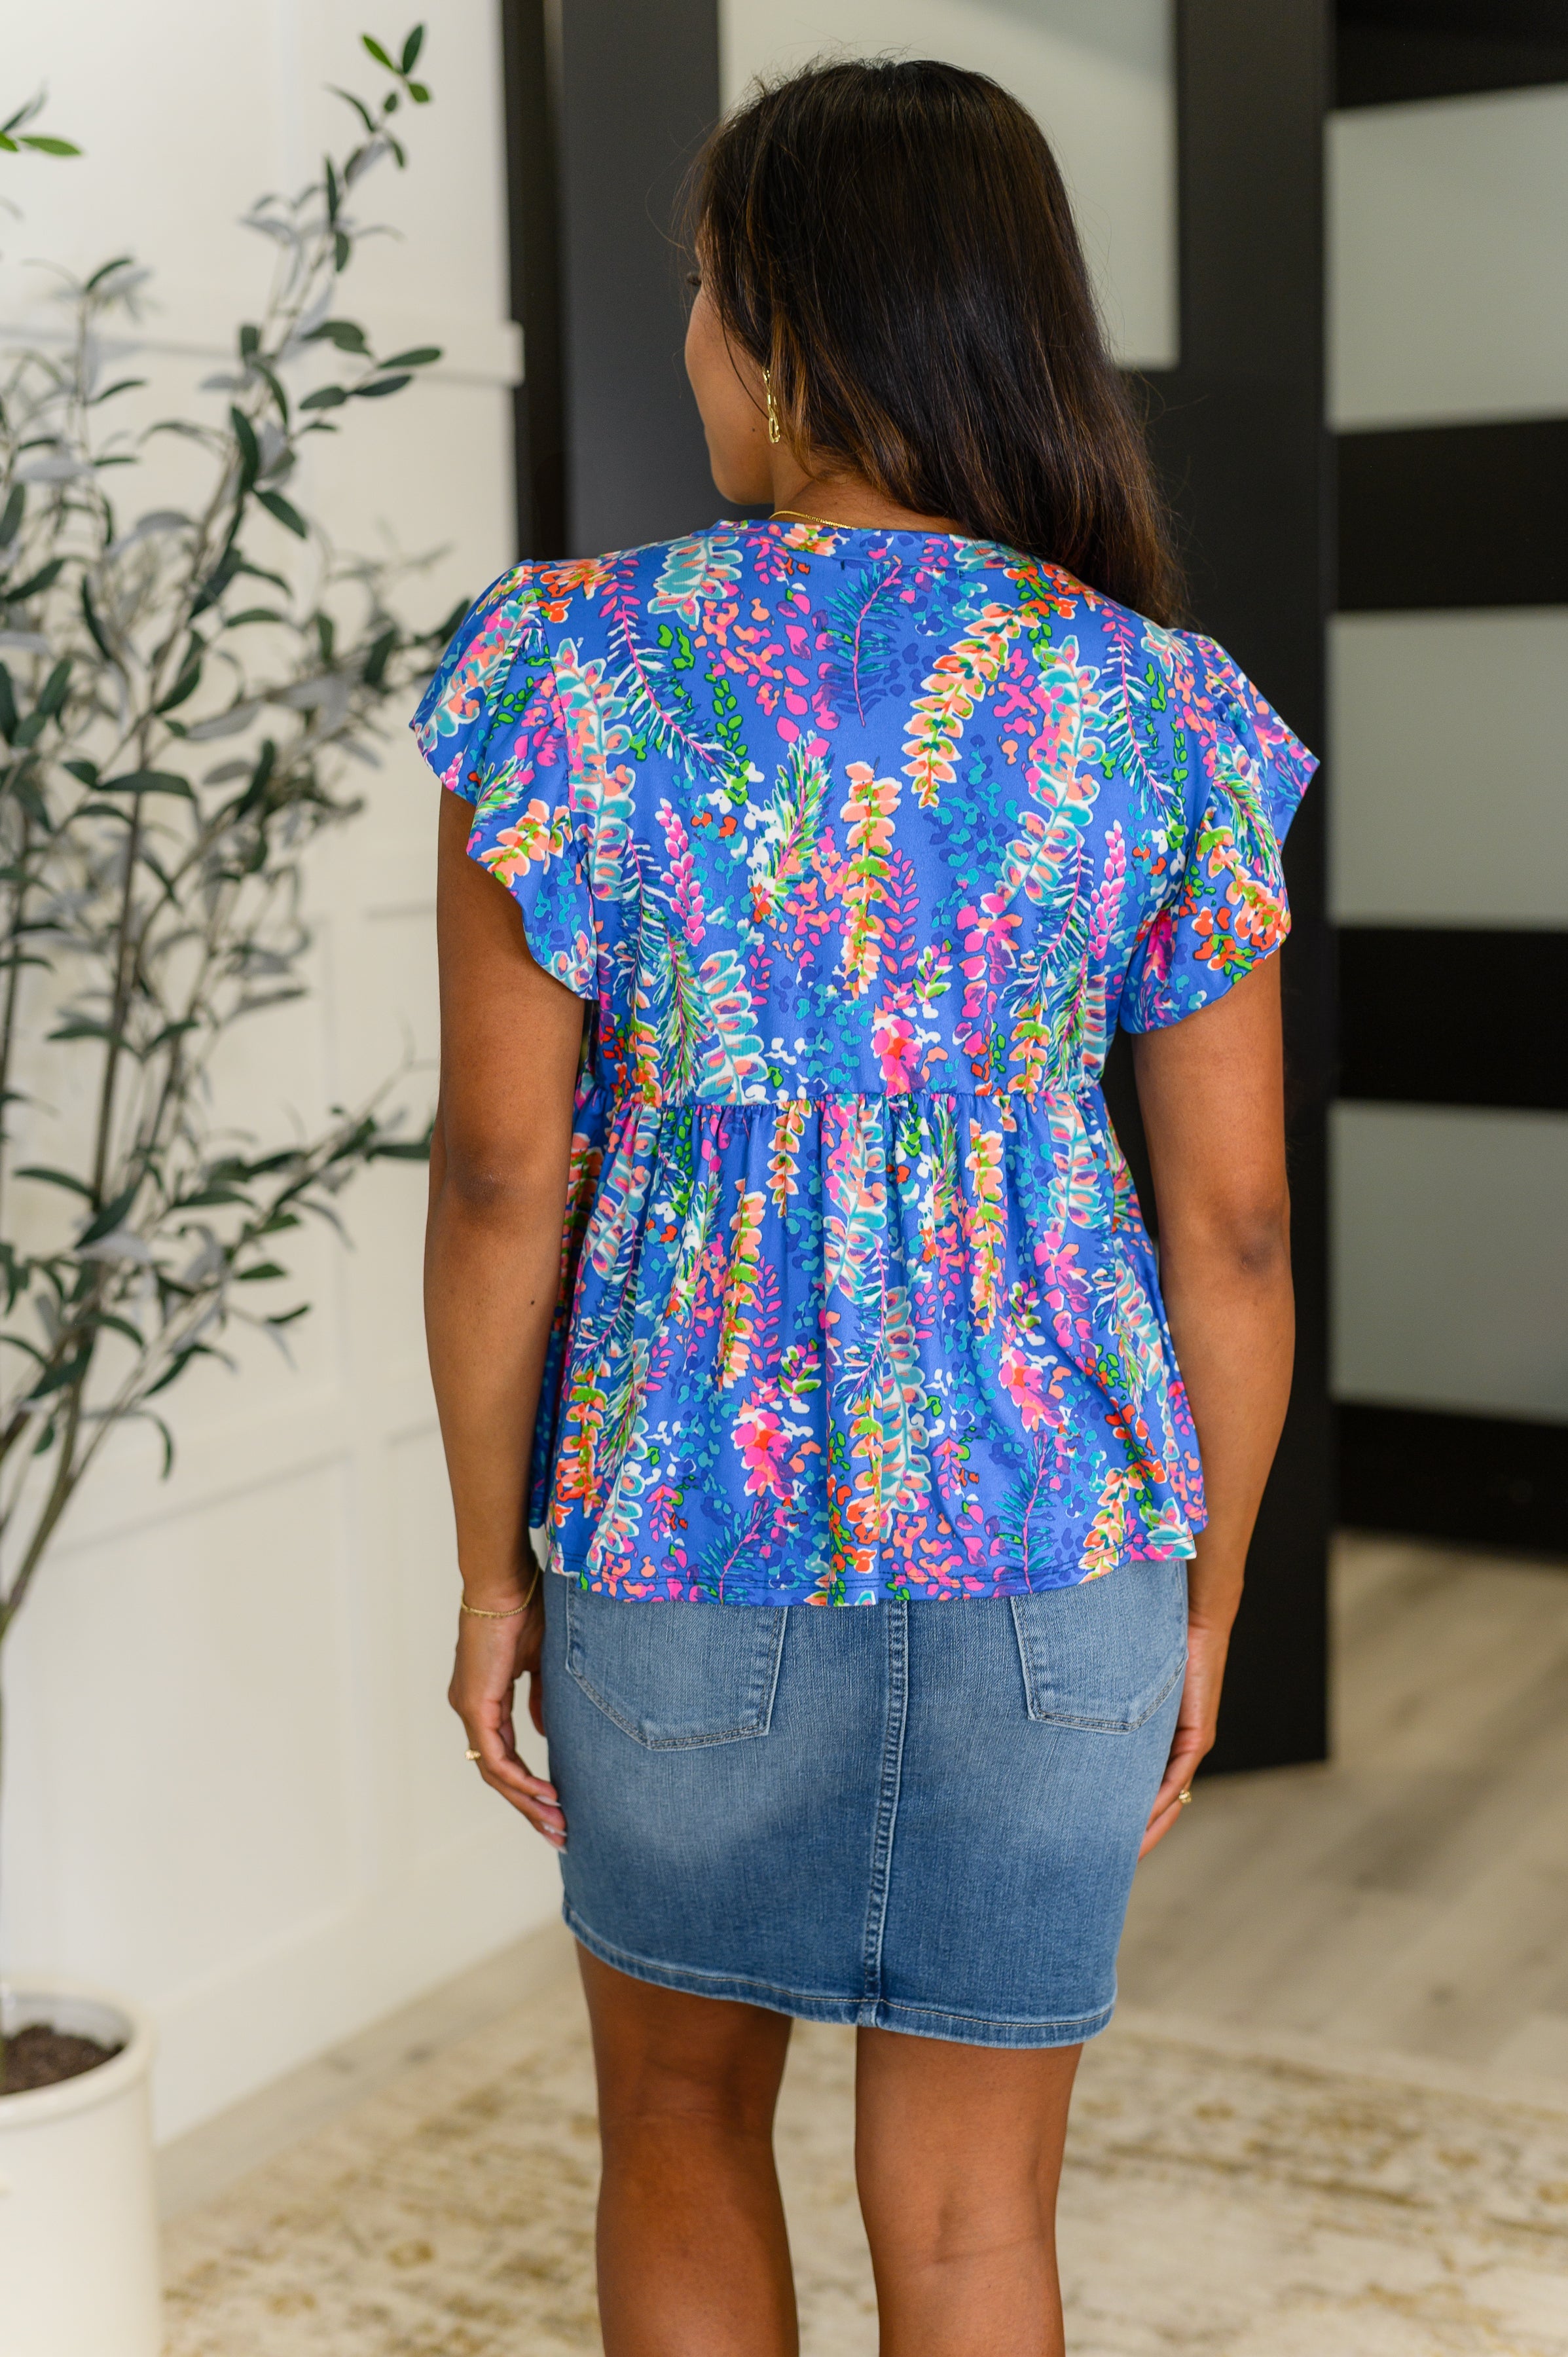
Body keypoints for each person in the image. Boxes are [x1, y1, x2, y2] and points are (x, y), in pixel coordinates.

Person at [416, 56, 1305, 2357]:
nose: (696, 340)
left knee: (681, 2129)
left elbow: (506, 1170)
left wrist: (489, 1571)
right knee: (976, 2224)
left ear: (790, 327)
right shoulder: (1156, 713)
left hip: (678, 1544)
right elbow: (1229, 1234)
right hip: (1057, 1556)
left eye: (708, 294)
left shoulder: (577, 679)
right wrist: (1200, 1596)